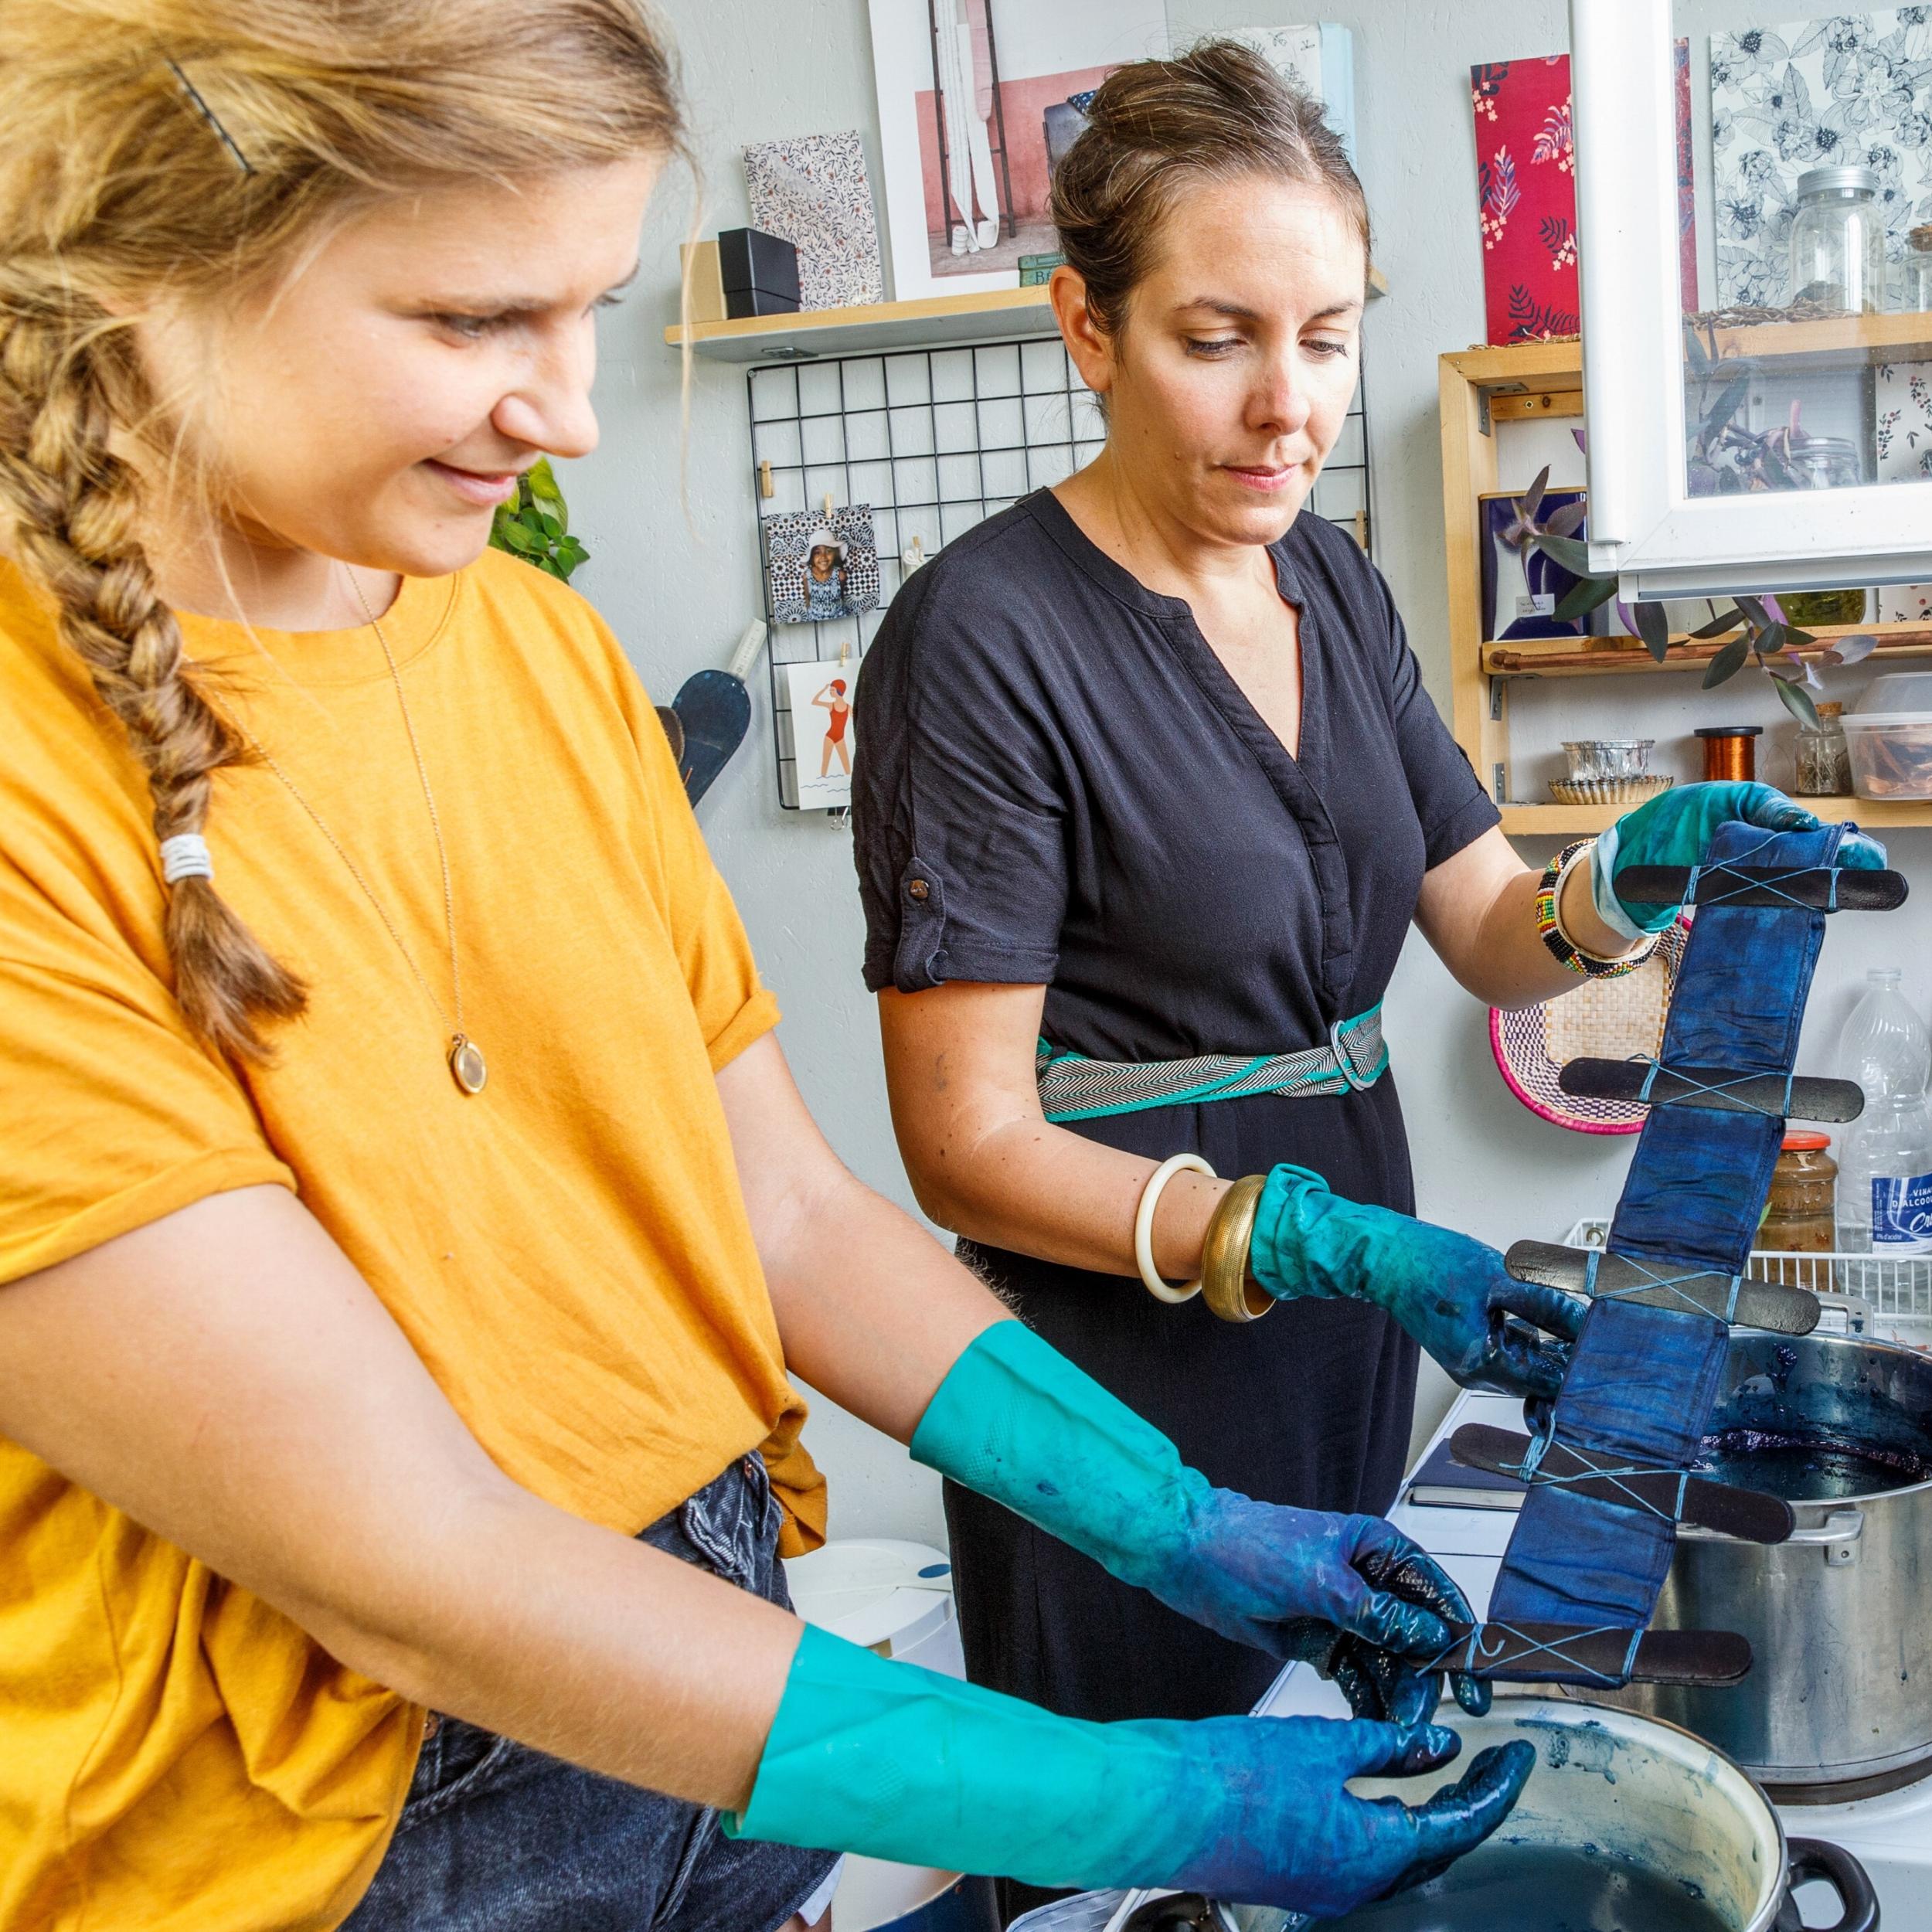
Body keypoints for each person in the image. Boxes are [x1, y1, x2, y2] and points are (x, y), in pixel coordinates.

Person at [0, 9, 1536, 1930]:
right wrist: (1128, 1798)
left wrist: (1173, 1519)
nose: (567, 411)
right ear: (154, 270)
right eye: (476, 322)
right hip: (327, 1843)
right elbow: (408, 1552)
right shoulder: (28, 780)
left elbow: (784, 1214)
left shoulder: (540, 661)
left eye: (592, 310)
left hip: (719, 1688)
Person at [851, 44, 1882, 1917]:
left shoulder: (1332, 585)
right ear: (1086, 326)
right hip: (1112, 1383)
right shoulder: (986, 636)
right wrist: (1318, 1237)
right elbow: (963, 1144)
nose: (1285, 408)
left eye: (1325, 339)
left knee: (1356, 1806)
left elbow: (1489, 926)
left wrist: (1631, 878)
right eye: (1217, 336)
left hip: (1350, 1355)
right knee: (1141, 1851)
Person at [814, 675, 853, 777]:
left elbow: (856, 721)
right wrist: (824, 689)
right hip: (829, 737)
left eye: (832, 690)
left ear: (839, 691)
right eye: (830, 690)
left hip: (841, 738)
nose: (830, 692)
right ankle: (823, 782)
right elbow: (814, 702)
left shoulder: (849, 707)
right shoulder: (831, 705)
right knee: (825, 763)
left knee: (847, 766)